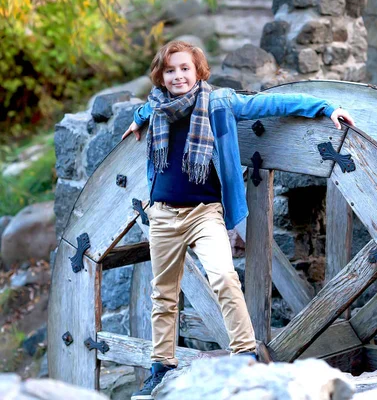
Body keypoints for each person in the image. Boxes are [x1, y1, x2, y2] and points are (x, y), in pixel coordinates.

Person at [122, 40, 354, 399]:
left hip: (205, 214)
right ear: (161, 76)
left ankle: (245, 355)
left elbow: (272, 102)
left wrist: (324, 108)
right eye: (171, 70)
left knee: (224, 277)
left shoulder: (219, 102)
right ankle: (160, 367)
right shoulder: (156, 107)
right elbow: (144, 111)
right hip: (164, 216)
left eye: (185, 68)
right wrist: (136, 120)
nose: (178, 76)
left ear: (198, 71)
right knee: (164, 295)